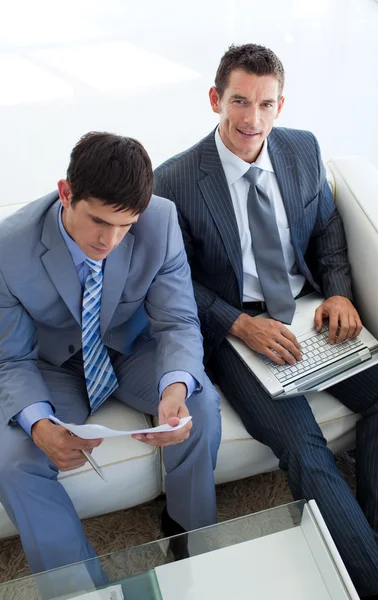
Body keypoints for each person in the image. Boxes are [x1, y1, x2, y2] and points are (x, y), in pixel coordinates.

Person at [153, 44, 378, 600]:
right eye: (239, 101)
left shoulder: (303, 150)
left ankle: (369, 558)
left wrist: (342, 294)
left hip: (307, 310)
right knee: (302, 445)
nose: (252, 119)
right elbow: (173, 281)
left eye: (266, 104)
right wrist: (237, 324)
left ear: (281, 105)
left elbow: (326, 229)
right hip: (235, 333)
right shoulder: (175, 180)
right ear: (215, 100)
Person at [0, 132, 221, 575]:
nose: (111, 240)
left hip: (131, 348)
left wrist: (175, 386)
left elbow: (177, 321)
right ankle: (84, 587)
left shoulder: (160, 221)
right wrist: (38, 422)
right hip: (53, 364)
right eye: (100, 221)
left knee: (200, 405)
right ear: (66, 193)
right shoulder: (9, 248)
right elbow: (10, 358)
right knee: (14, 461)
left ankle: (191, 541)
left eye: (126, 225)